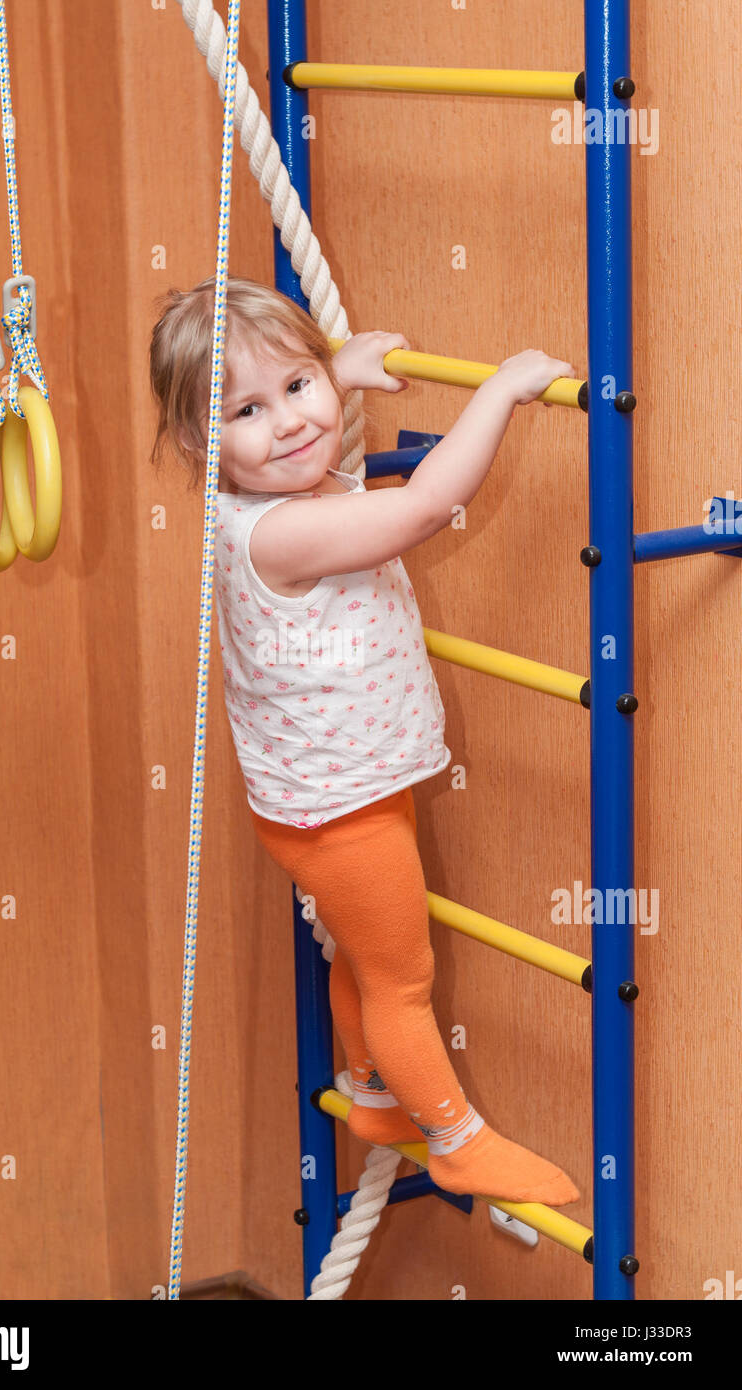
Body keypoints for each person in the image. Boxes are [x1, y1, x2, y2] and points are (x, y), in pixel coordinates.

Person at [149, 274, 580, 1206]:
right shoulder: (286, 534)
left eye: (297, 388)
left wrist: (331, 374)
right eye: (247, 411)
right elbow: (420, 510)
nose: (292, 424)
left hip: (322, 797)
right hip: (339, 811)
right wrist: (498, 392)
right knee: (403, 977)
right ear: (197, 443)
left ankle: (373, 1088)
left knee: (360, 954)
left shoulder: (243, 506)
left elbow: (313, 437)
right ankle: (456, 1136)